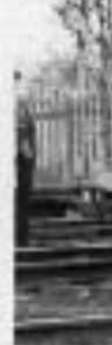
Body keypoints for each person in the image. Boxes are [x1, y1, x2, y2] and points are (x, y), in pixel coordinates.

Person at [14, 70, 36, 248]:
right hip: (20, 161)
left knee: (22, 203)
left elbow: (26, 133)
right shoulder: (19, 106)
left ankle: (22, 240)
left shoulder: (23, 107)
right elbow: (22, 134)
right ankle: (21, 241)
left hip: (23, 161)